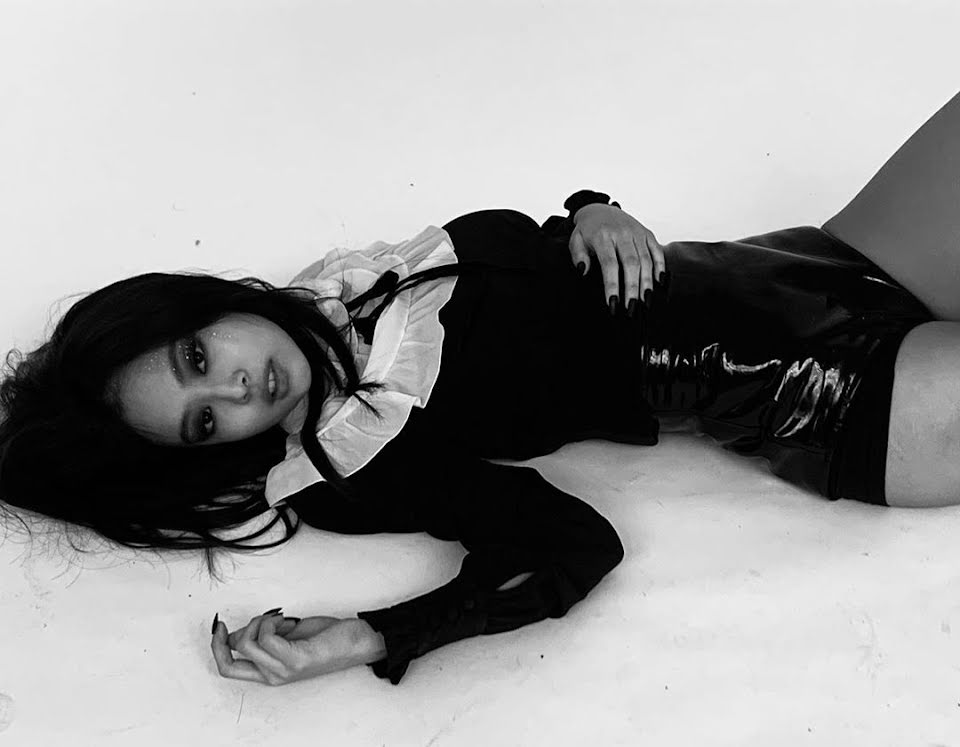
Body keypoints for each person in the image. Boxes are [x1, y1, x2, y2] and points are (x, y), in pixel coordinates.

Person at [3, 89, 960, 688]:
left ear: (198, 307)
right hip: (832, 398)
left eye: (196, 357)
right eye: (208, 419)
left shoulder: (350, 286)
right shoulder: (356, 462)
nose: (240, 385)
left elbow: (527, 259)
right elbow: (573, 543)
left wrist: (591, 211)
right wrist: (376, 634)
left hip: (822, 257)